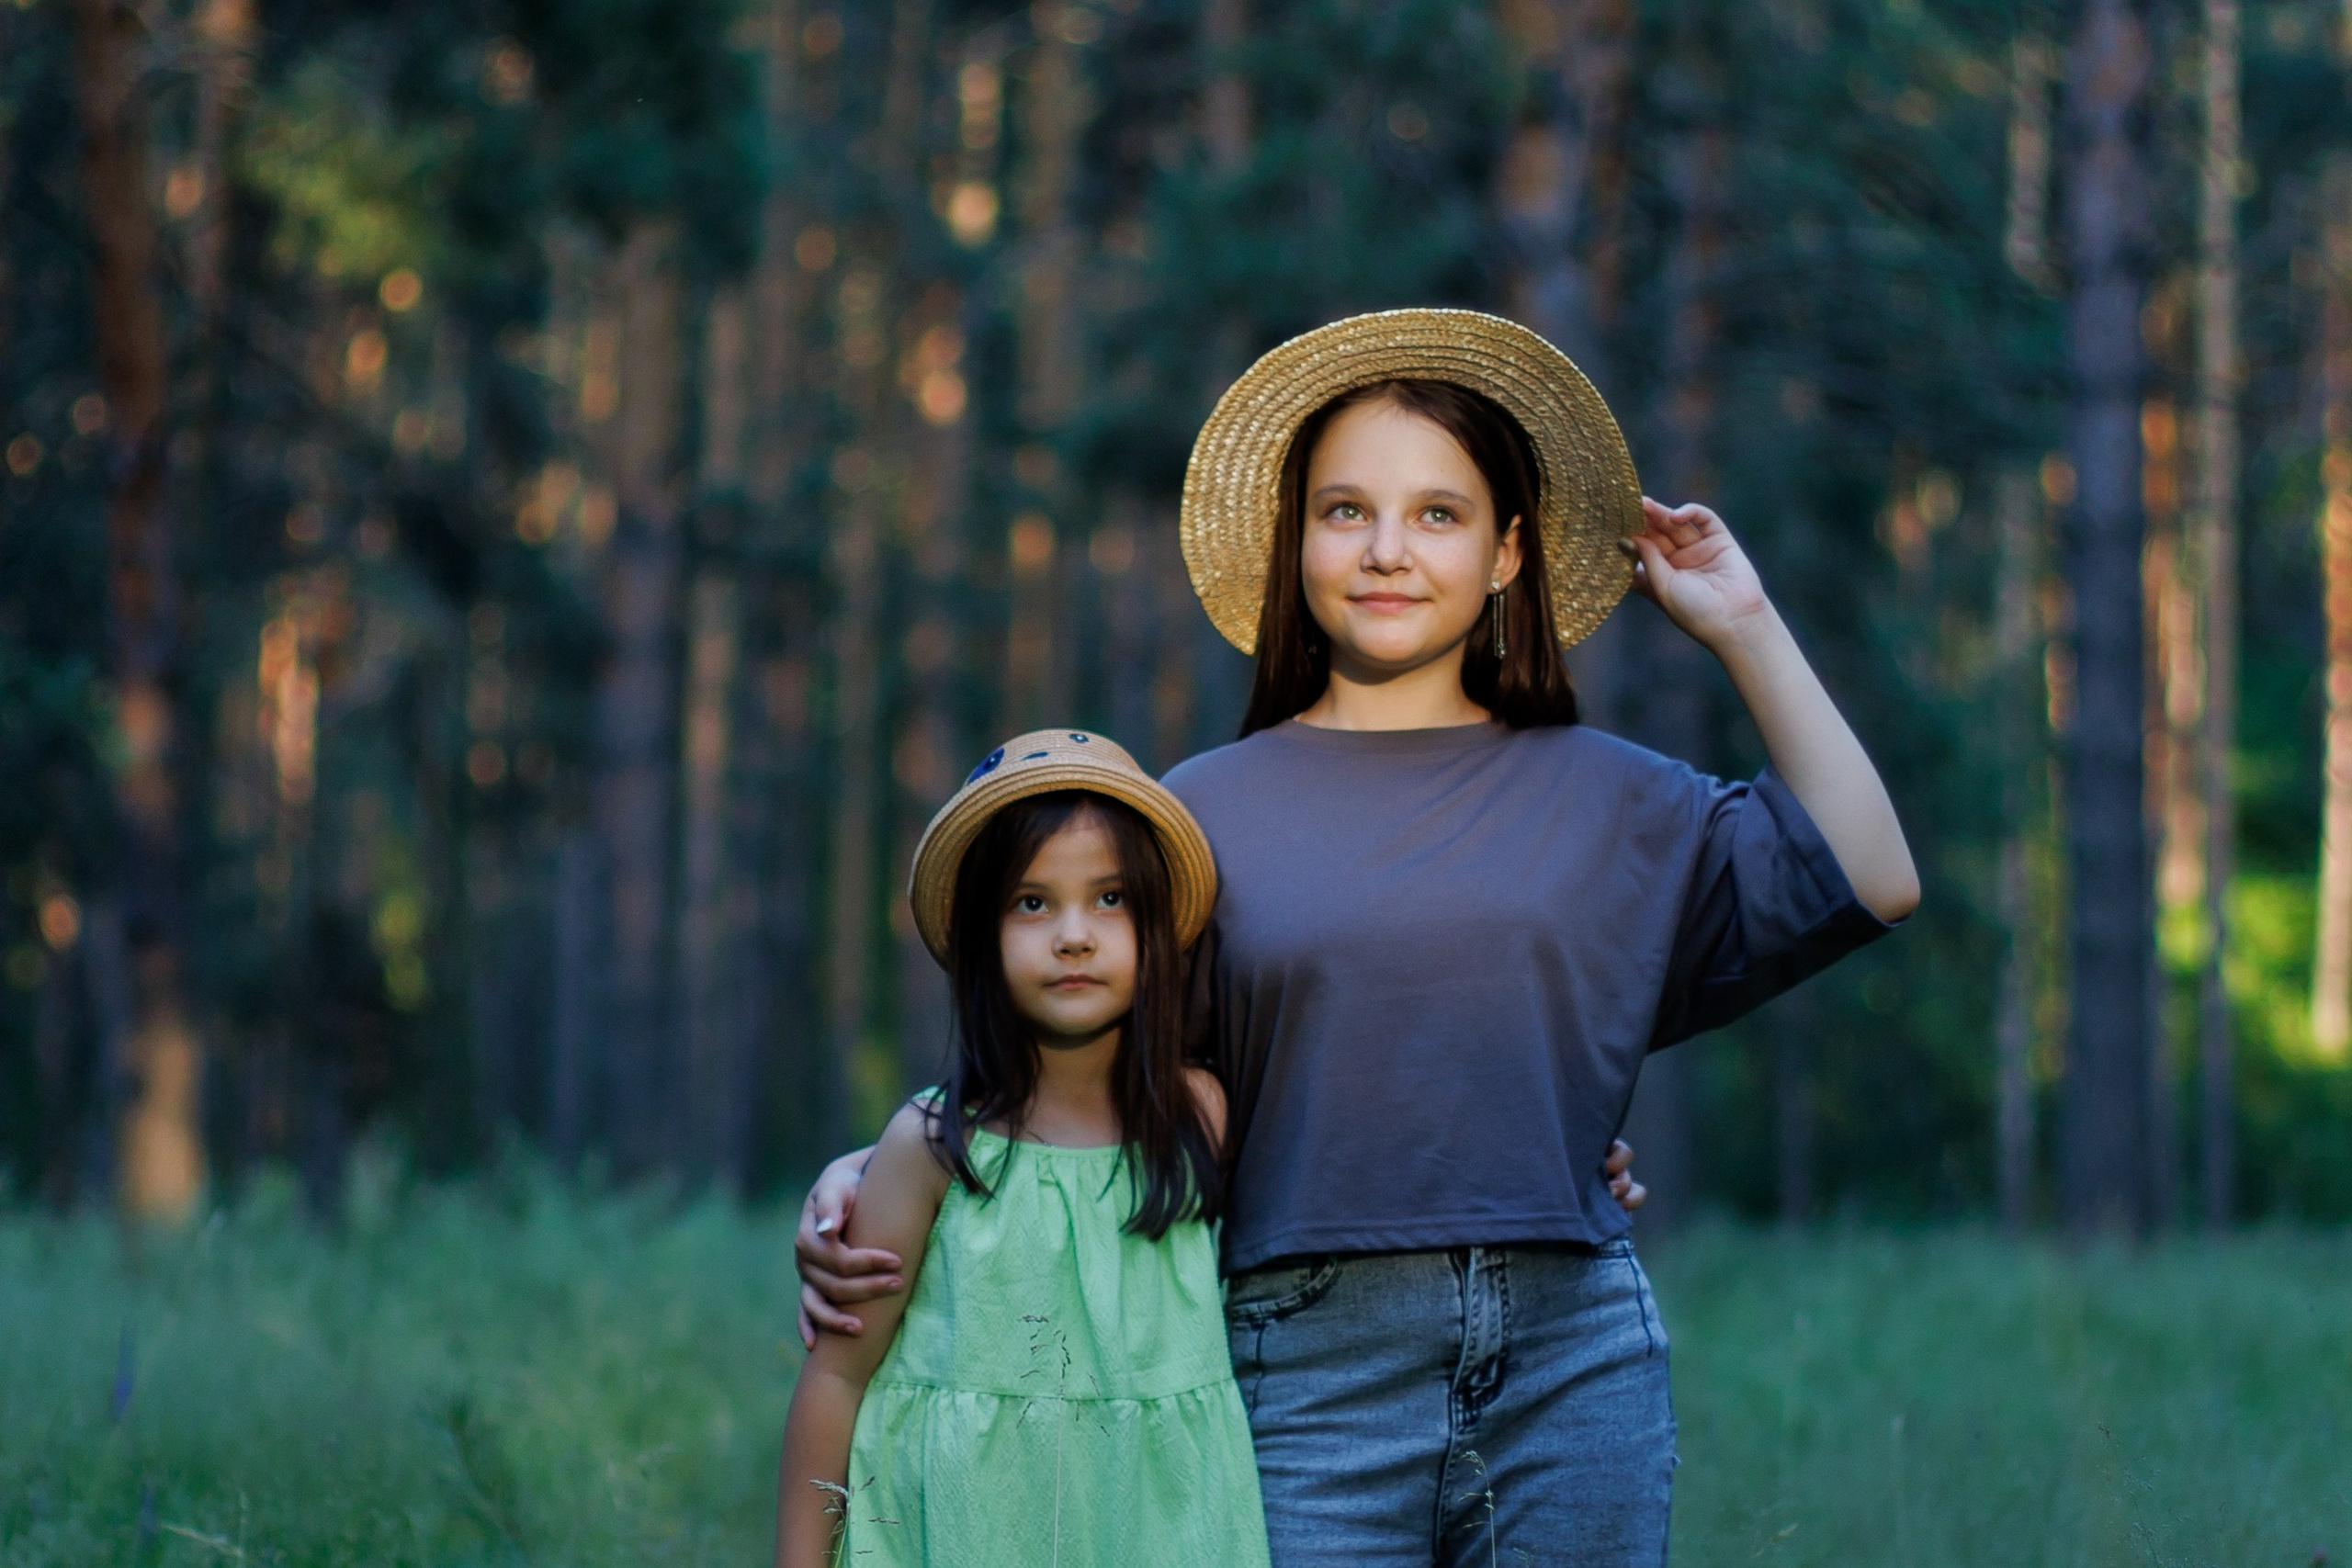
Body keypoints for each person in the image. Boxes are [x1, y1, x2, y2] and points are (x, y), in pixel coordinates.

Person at [798, 310, 1919, 1566]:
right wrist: (880, 1162)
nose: (1388, 549)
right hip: (1298, 1358)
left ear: (1507, 553)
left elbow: (1871, 874)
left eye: (1438, 514)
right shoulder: (1195, 814)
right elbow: (1088, 1066)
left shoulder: (1621, 796)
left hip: (1576, 1353)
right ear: (1298, 546)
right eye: (1346, 511)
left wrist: (1744, 620)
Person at [774, 732, 1271, 1568]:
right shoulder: (933, 1148)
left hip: (1160, 1524)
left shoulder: (1204, 1116)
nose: (1073, 935)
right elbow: (835, 1380)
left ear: (1157, 928)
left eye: (1110, 898)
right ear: (980, 937)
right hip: (969, 1527)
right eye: (1032, 903)